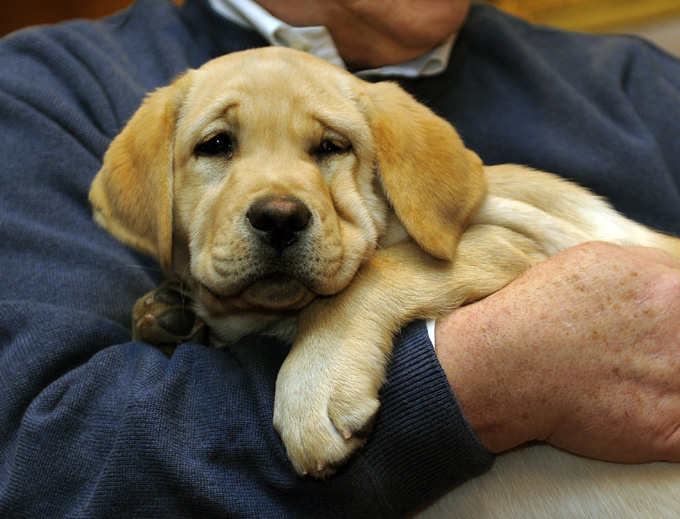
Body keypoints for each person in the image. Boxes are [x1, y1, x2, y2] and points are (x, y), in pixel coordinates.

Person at [1, 0, 680, 517]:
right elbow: (45, 460)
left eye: (329, 148)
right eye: (217, 145)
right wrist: (477, 372)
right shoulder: (51, 92)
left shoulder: (640, 84)